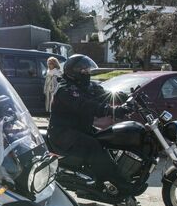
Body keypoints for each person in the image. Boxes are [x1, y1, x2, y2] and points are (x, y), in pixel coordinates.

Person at [47, 54, 133, 197]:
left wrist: (129, 96)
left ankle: (109, 176)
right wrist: (113, 110)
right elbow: (87, 106)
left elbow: (104, 94)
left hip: (80, 128)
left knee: (107, 139)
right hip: (63, 133)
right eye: (84, 70)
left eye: (88, 70)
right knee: (94, 147)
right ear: (74, 71)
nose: (87, 73)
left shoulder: (85, 86)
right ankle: (115, 183)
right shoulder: (66, 89)